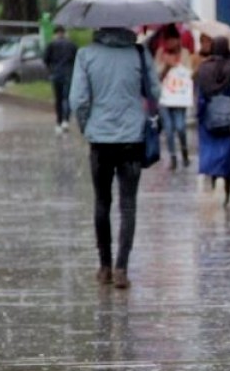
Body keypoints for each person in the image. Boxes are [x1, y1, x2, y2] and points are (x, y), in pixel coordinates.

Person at [69, 26, 161, 290]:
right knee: (128, 205)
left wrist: (87, 126)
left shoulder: (86, 54)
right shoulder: (139, 54)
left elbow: (77, 100)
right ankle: (122, 267)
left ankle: (105, 265)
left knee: (102, 202)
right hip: (132, 138)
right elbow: (155, 92)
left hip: (100, 140)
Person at [195, 36, 230, 204]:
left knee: (210, 151)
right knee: (227, 153)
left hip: (209, 117)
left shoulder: (203, 68)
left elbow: (200, 96)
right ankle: (225, 185)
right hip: (229, 117)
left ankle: (214, 179)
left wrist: (199, 114)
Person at [156, 24, 193, 170]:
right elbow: (156, 75)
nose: (170, 43)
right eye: (167, 40)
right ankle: (172, 156)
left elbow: (189, 73)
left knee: (180, 126)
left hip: (179, 97)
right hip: (165, 97)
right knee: (168, 128)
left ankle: (184, 151)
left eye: (173, 39)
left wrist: (178, 65)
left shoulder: (184, 53)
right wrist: (166, 65)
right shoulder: (160, 53)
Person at [43, 25, 79, 134]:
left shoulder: (51, 45)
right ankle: (66, 120)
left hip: (56, 74)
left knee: (58, 99)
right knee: (67, 98)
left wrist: (51, 69)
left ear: (55, 34)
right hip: (68, 74)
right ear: (64, 33)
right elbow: (77, 59)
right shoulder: (72, 45)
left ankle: (58, 121)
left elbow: (45, 59)